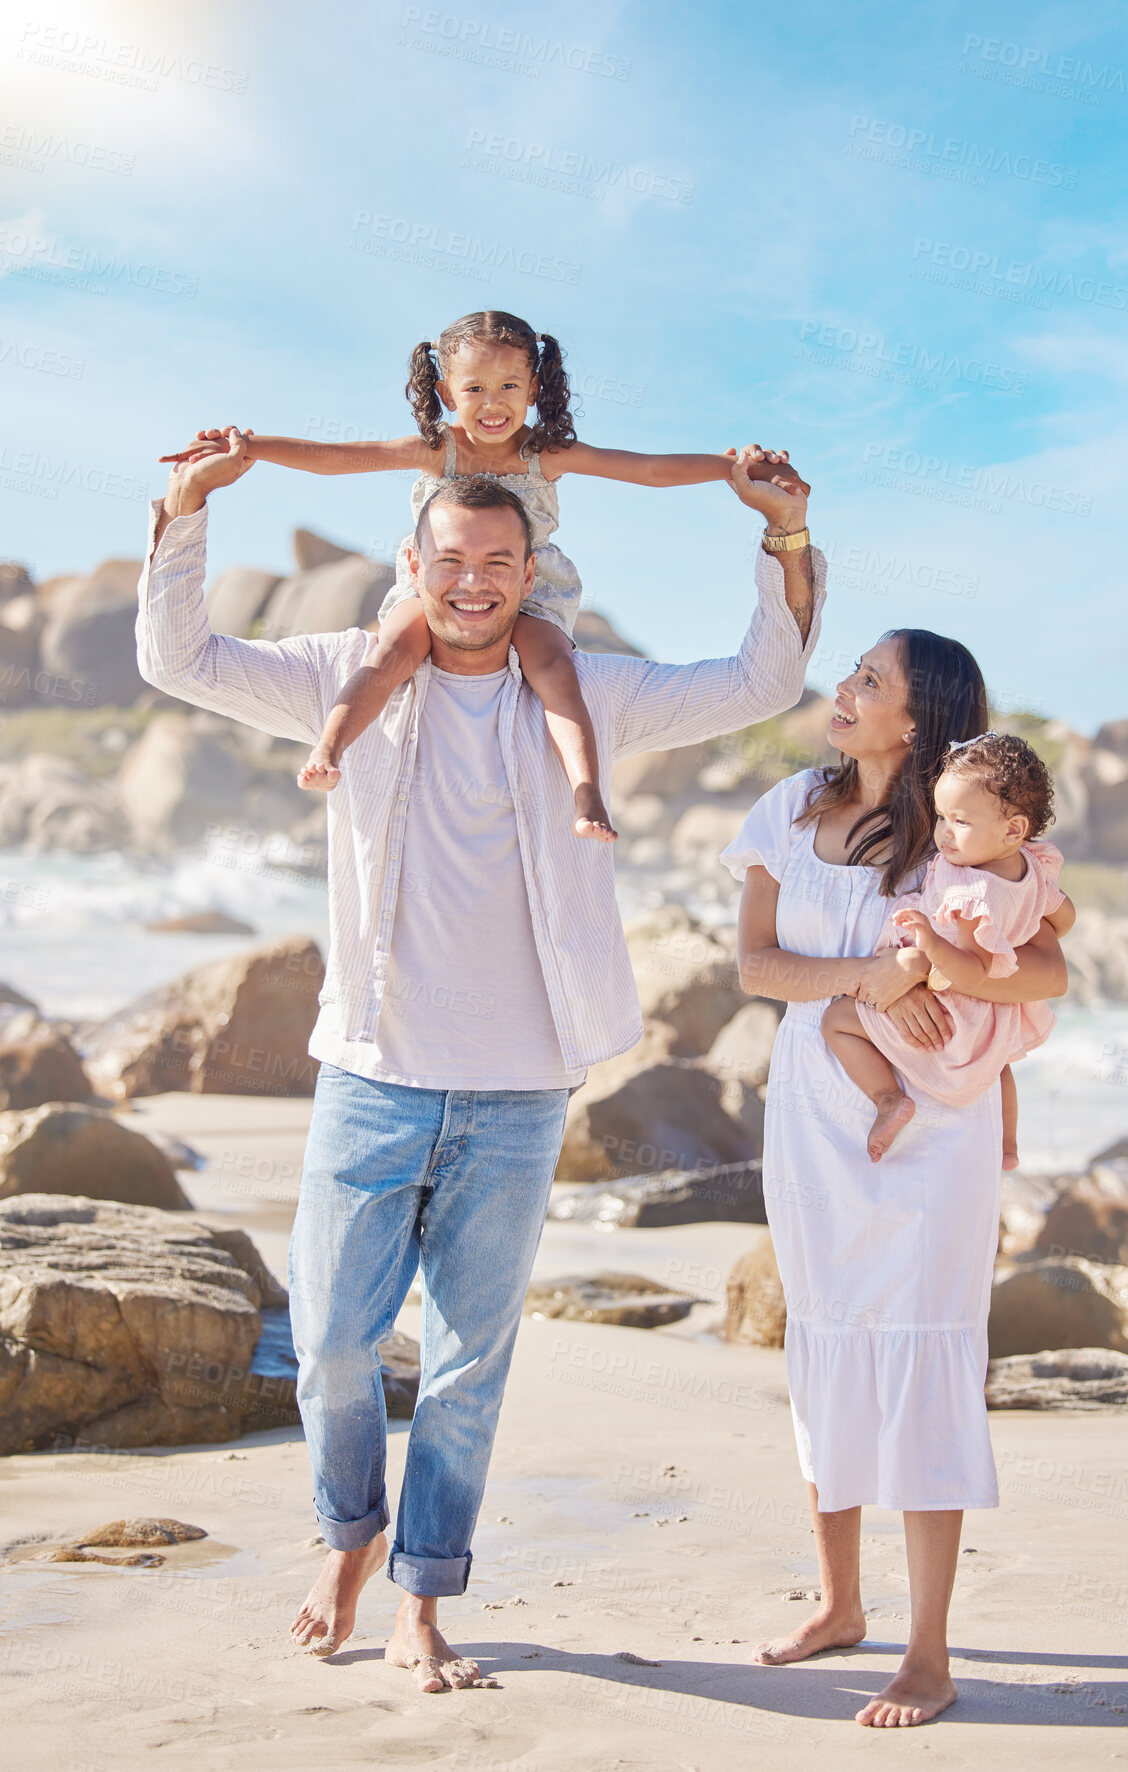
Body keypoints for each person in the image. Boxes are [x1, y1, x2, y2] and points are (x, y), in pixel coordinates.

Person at [137, 425, 824, 1694]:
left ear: (527, 567)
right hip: (371, 1073)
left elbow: (756, 684)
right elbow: (177, 654)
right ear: (414, 559)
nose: (472, 581)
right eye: (451, 558)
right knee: (335, 1344)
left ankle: (423, 1591)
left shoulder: (589, 693)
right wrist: (186, 510)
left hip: (518, 1091)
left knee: (463, 1363)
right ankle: (352, 1532)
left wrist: (779, 535)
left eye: (498, 560)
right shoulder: (342, 671)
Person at [724, 632, 1067, 1729]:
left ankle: (929, 1651)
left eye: (871, 680)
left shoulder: (965, 829)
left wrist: (961, 978)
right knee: (824, 1333)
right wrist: (866, 980)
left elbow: (1050, 961)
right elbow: (756, 966)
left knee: (923, 1352)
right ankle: (838, 1602)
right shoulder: (790, 806)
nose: (846, 687)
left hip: (938, 1132)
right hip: (820, 1108)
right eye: (855, 671)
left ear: (915, 721)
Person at [159, 308, 806, 841]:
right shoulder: (436, 448)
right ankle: (330, 747)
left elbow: (648, 469)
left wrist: (730, 470)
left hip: (532, 588)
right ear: (446, 393)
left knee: (555, 668)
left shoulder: (545, 453)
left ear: (534, 389)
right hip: (435, 587)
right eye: (473, 390)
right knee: (392, 648)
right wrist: (253, 448)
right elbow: (339, 457)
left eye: (508, 388)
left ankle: (586, 795)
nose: (491, 404)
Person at [822, 731, 1075, 1163]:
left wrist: (928, 947)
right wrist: (1028, 917)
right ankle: (1008, 1146)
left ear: (1013, 828)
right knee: (999, 1065)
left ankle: (888, 1099)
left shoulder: (971, 891)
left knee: (837, 1020)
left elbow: (973, 972)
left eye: (961, 821)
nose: (944, 833)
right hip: (996, 1017)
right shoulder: (1031, 866)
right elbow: (1063, 914)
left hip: (955, 1011)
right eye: (941, 817)